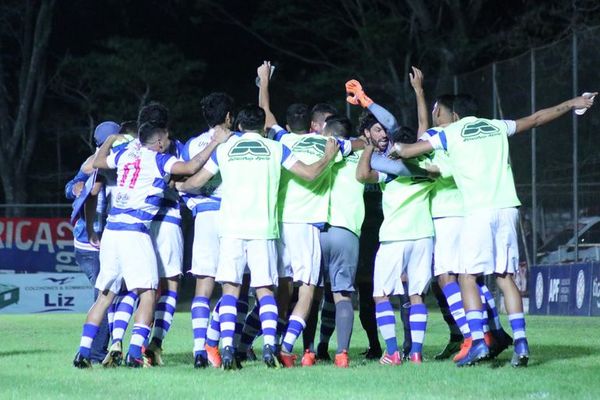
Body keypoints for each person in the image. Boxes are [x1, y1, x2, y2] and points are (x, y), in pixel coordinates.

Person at [388, 91, 596, 367]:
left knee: (466, 277)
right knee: (504, 276)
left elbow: (410, 150)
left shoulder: (449, 133)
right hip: (508, 208)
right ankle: (521, 343)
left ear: (455, 115)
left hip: (477, 211)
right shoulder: (496, 125)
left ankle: (477, 343)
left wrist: (396, 151)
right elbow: (535, 119)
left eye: (441, 112)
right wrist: (573, 103)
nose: (439, 117)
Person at [177, 104, 340, 370]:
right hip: (264, 230)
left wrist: (180, 186)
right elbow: (310, 174)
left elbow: (196, 182)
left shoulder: (224, 149)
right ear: (263, 127)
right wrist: (328, 156)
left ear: (239, 127)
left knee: (230, 290)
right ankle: (268, 348)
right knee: (265, 291)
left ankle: (227, 347)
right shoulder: (277, 149)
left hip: (230, 229)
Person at [73, 122, 230, 368]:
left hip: (112, 231)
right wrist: (214, 142)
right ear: (158, 143)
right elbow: (190, 166)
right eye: (165, 139)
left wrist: (110, 139)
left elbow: (97, 163)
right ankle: (135, 352)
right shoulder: (160, 160)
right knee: (148, 293)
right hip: (135, 232)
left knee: (105, 296)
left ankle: (82, 352)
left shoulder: (125, 154)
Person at [350, 79, 435, 365]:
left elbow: (362, 175)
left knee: (381, 295)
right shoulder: (431, 165)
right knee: (416, 296)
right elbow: (421, 125)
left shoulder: (393, 169)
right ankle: (417, 354)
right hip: (424, 236)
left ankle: (393, 352)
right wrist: (419, 93)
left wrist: (368, 145)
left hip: (395, 238)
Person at [181, 92, 235, 369]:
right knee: (231, 286)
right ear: (228, 117)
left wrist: (195, 205)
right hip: (232, 216)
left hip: (204, 216)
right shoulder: (236, 142)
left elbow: (180, 183)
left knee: (203, 287)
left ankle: (199, 349)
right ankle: (226, 346)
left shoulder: (192, 144)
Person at [65, 121, 120, 364]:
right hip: (94, 244)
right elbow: (72, 186)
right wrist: (74, 188)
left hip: (93, 242)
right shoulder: (106, 161)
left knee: (108, 295)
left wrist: (75, 187)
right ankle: (95, 353)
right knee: (106, 295)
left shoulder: (99, 160)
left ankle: (99, 351)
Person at [317, 115, 365, 367]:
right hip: (347, 232)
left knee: (311, 295)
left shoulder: (323, 148)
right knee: (342, 296)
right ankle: (342, 354)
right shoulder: (362, 153)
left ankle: (308, 352)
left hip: (319, 229)